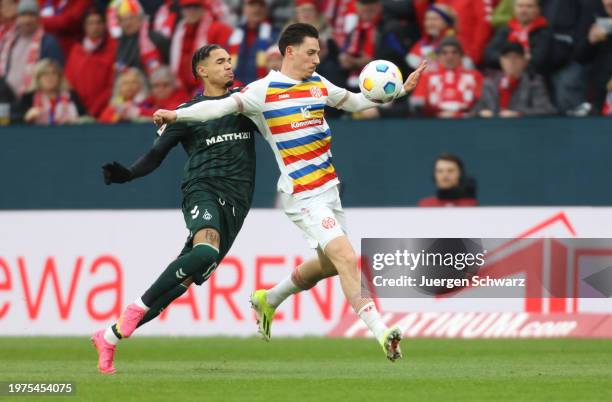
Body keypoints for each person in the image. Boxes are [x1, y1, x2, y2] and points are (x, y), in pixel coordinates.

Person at [153, 23, 427, 361]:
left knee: (329, 264)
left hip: (329, 190)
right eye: (311, 52)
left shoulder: (318, 85)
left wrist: (398, 92)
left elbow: (356, 102)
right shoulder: (263, 91)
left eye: (318, 53)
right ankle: (382, 331)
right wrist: (176, 114)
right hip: (302, 194)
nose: (316, 60)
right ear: (290, 51)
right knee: (346, 257)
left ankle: (270, 298)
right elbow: (216, 108)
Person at [91, 44, 260, 375]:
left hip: (237, 203)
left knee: (179, 284)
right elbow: (155, 156)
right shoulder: (187, 113)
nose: (229, 66)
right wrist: (127, 174)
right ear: (202, 71)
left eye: (230, 60)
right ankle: (135, 308)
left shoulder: (245, 103)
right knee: (206, 248)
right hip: (203, 189)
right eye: (220, 62)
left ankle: (108, 336)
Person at [471, 41, 556, 117]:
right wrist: (481, 113)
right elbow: (474, 111)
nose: (512, 61)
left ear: (524, 61)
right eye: (507, 57)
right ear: (501, 60)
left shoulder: (533, 82)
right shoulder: (490, 83)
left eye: (516, 57)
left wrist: (518, 113)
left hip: (522, 130)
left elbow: (547, 110)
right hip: (493, 129)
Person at [0, 0, 63, 98]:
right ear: (18, 18)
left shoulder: (48, 42)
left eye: (32, 15)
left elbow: (56, 76)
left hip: (35, 101)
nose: (27, 20)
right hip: (7, 99)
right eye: (23, 15)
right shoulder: (9, 41)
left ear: (38, 18)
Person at [169, 0, 233, 95]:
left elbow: (227, 63)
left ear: (203, 8)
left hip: (210, 89)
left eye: (196, 6)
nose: (192, 10)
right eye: (188, 7)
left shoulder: (219, 29)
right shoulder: (180, 31)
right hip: (183, 91)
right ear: (182, 10)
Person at [411, 37, 482, 118]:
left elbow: (480, 104)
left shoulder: (475, 76)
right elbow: (417, 104)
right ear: (438, 56)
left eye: (454, 52)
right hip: (433, 123)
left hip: (467, 122)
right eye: (444, 53)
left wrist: (456, 114)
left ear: (461, 55)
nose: (450, 56)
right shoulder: (426, 77)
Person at [65, 8, 117, 119]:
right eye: (90, 23)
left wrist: (94, 110)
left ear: (104, 25)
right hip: (78, 111)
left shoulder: (113, 48)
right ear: (84, 26)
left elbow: (112, 84)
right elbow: (69, 82)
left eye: (98, 22)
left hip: (103, 111)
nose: (95, 27)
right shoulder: (76, 50)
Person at [484, 0, 553, 76]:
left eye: (529, 6)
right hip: (501, 77)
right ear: (514, 9)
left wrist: (509, 62)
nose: (523, 10)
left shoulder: (543, 32)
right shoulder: (506, 29)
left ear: (537, 10)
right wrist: (508, 62)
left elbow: (537, 62)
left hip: (531, 80)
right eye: (520, 6)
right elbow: (489, 54)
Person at [14, 58, 86, 125]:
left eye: (54, 73)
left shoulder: (71, 96)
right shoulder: (29, 97)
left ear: (59, 77)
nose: (50, 77)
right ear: (38, 79)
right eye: (45, 74)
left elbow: (86, 118)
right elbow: (15, 121)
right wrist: (27, 117)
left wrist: (77, 121)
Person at [229, 0, 279, 85]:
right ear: (244, 9)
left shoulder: (276, 35)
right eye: (252, 4)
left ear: (266, 9)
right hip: (236, 90)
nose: (257, 9)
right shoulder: (233, 35)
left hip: (265, 89)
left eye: (261, 5)